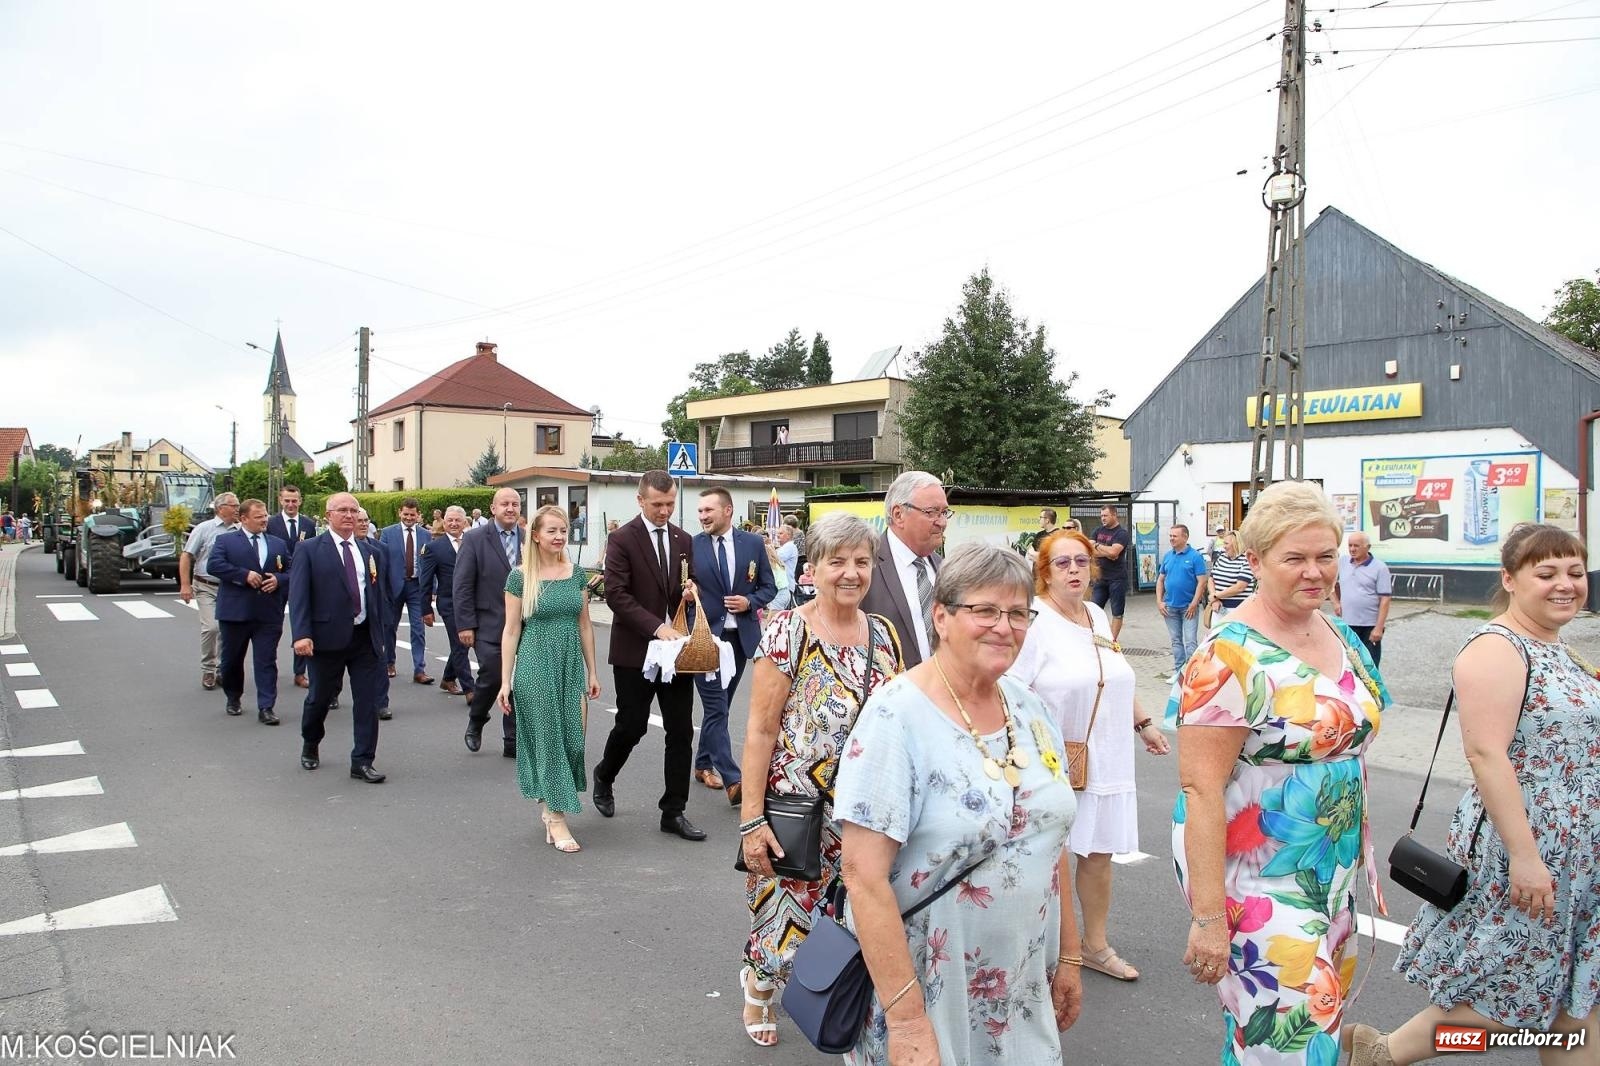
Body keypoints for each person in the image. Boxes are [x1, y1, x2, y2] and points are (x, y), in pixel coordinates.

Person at [1348, 524, 1599, 1066]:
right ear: (1510, 579)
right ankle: (1385, 1052)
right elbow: (1487, 756)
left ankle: (1382, 1051)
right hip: (1532, 849)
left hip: (1584, 856)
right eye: (1547, 573)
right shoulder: (1496, 648)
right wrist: (1526, 859)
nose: (1565, 585)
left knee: (1581, 994)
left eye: (1575, 573)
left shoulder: (1558, 648)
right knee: (1506, 998)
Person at [835, 542, 1082, 1064]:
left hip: (1020, 981)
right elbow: (862, 874)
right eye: (985, 610)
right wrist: (905, 1023)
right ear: (941, 617)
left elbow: (1051, 839)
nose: (1004, 626)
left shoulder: (1031, 708)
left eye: (1018, 613)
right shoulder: (895, 716)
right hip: (924, 986)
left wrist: (1071, 957)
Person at [1170, 481, 1388, 1066]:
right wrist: (1211, 918)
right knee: (1288, 1039)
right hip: (1258, 881)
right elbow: (1200, 788)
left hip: (1327, 872)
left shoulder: (1338, 633)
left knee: (1298, 1031)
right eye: (1295, 558)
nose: (1314, 572)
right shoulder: (1227, 657)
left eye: (1325, 556)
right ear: (1257, 559)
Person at [735, 512, 903, 1046]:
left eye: (861, 561)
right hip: (798, 810)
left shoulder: (883, 633)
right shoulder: (788, 631)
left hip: (867, 811)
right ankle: (759, 985)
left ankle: (842, 1000)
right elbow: (760, 731)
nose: (851, 573)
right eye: (838, 562)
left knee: (857, 915)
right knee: (787, 916)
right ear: (811, 569)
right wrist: (751, 820)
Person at [1008, 528, 1168, 983]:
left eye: (1081, 561)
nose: (1074, 570)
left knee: (1097, 854)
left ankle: (1094, 945)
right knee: (1044, 855)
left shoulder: (1096, 615)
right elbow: (1012, 692)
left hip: (1106, 752)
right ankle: (1038, 947)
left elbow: (1115, 673)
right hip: (1052, 759)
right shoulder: (1033, 621)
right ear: (1044, 572)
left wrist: (1144, 723)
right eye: (1063, 563)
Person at [593, 470, 704, 841]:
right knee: (632, 724)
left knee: (680, 731)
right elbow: (617, 595)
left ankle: (674, 810)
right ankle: (604, 775)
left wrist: (688, 593)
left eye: (670, 503)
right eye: (657, 504)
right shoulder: (621, 539)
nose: (665, 511)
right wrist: (656, 626)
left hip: (674, 653)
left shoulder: (683, 539)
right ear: (640, 501)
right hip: (635, 651)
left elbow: (679, 587)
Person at [498, 505, 601, 853]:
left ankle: (550, 806)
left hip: (570, 664)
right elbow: (511, 631)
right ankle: (555, 817)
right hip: (534, 664)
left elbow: (585, 624)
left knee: (573, 742)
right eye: (552, 531)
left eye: (563, 530)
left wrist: (593, 671)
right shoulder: (519, 577)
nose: (559, 537)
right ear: (536, 536)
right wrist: (505, 681)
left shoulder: (576, 575)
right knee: (550, 743)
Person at [288, 492, 391, 783]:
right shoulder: (309, 549)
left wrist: (382, 633)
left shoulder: (372, 551)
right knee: (319, 698)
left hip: (364, 638)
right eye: (342, 510)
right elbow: (298, 596)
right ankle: (311, 741)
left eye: (353, 510)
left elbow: (378, 595)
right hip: (325, 638)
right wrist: (302, 634)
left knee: (368, 701)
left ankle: (362, 760)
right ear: (328, 515)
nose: (349, 515)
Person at [690, 487, 776, 806]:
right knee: (716, 706)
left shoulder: (753, 543)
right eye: (700, 512)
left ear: (727, 511)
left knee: (722, 703)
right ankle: (733, 779)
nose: (703, 516)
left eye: (708, 510)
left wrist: (749, 601)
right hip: (705, 637)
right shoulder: (692, 545)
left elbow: (769, 586)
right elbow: (679, 587)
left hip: (740, 639)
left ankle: (702, 764)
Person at [208, 499, 290, 725]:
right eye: (258, 517)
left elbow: (292, 570)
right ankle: (233, 696)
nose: (264, 520)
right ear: (243, 519)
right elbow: (213, 565)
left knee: (266, 660)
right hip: (236, 612)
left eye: (265, 515)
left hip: (268, 613)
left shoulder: (277, 544)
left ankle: (267, 706)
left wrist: (279, 580)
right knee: (232, 660)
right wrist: (243, 575)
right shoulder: (226, 541)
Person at [455, 488, 523, 757]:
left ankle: (512, 739)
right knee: (494, 674)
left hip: (524, 624)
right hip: (489, 624)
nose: (510, 508)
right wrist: (464, 624)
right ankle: (478, 717)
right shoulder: (474, 539)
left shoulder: (531, 539)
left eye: (515, 504)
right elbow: (462, 585)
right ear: (493, 508)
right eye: (504, 504)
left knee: (519, 681)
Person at [861, 470, 950, 669]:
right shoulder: (864, 566)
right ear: (898, 514)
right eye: (932, 512)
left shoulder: (947, 569)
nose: (942, 522)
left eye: (944, 512)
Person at [178, 492, 241, 691]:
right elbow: (187, 556)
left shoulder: (239, 530)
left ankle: (223, 668)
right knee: (212, 627)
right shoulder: (204, 529)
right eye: (234, 505)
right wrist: (185, 585)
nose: (237, 508)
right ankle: (208, 668)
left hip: (230, 587)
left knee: (227, 630)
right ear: (221, 508)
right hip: (206, 585)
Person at [267, 485, 317, 691]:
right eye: (287, 500)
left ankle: (300, 672)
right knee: (272, 628)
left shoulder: (309, 524)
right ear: (280, 500)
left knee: (302, 625)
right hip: (278, 581)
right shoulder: (271, 523)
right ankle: (269, 667)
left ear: (300, 501)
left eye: (294, 500)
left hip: (302, 580)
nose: (290, 504)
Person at [419, 506, 472, 697]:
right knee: (459, 643)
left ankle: (448, 677)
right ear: (444, 522)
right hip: (448, 603)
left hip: (471, 603)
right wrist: (426, 609)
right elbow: (425, 581)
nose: (453, 523)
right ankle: (470, 689)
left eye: (458, 520)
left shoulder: (472, 543)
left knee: (464, 644)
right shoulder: (434, 548)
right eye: (450, 520)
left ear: (464, 522)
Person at [380, 498, 434, 686]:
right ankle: (389, 662)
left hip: (416, 587)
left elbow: (429, 563)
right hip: (393, 586)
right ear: (399, 513)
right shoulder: (387, 533)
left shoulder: (426, 535)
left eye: (412, 514)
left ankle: (419, 669)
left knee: (418, 630)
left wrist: (431, 589)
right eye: (406, 514)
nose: (409, 517)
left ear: (418, 515)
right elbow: (382, 562)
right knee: (389, 627)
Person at [1155, 523, 1208, 681]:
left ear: (1185, 537)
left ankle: (1192, 675)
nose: (1171, 538)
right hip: (1169, 607)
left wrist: (1194, 603)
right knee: (1176, 641)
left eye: (1174, 536)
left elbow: (1202, 582)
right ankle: (1179, 674)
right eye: (1170, 536)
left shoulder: (1195, 557)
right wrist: (1159, 601)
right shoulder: (1168, 556)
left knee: (1190, 641)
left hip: (1188, 608)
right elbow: (1160, 580)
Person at [1333, 531, 1393, 669]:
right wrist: (1335, 602)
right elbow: (1330, 583)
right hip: (1347, 623)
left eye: (1356, 546)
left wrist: (1378, 628)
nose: (1352, 549)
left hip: (1369, 625)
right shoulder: (1342, 562)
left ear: (1368, 547)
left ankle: (1371, 690)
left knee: (1369, 664)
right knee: (1348, 663)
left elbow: (1385, 598)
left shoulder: (1380, 567)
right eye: (1350, 545)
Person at [1090, 505, 1133, 642]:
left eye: (1105, 515)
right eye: (1101, 516)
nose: (1102, 518)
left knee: (1117, 612)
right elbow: (1090, 551)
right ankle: (1095, 636)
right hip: (1100, 577)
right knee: (1094, 610)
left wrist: (1097, 546)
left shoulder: (1122, 533)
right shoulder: (1098, 530)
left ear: (1114, 515)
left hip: (1117, 579)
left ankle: (1112, 641)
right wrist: (1106, 552)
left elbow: (1114, 553)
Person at [1208, 530, 1255, 625]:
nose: (1223, 547)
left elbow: (1240, 587)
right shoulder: (1221, 558)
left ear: (1236, 544)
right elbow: (1211, 579)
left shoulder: (1246, 560)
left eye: (1226, 543)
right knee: (1217, 639)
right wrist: (1214, 599)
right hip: (1218, 608)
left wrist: (1215, 596)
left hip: (1238, 610)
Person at [762, 536, 793, 612]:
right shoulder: (778, 564)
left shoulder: (771, 567)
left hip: (779, 594)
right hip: (786, 592)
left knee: (772, 619)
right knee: (777, 618)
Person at [775, 523, 799, 592]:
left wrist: (769, 549)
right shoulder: (784, 547)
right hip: (782, 586)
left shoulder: (789, 546)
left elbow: (775, 558)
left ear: (788, 535)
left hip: (785, 587)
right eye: (778, 533)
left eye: (781, 533)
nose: (777, 535)